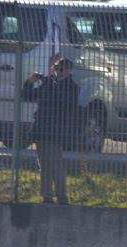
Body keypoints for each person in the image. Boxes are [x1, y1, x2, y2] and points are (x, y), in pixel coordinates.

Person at [22, 55, 79, 205]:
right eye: (57, 69)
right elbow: (27, 96)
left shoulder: (71, 87)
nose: (59, 72)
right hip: (41, 130)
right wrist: (29, 82)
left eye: (62, 69)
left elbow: (61, 101)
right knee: (45, 164)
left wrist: (48, 78)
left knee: (56, 164)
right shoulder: (48, 84)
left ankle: (62, 196)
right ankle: (47, 196)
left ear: (68, 71)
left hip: (56, 131)